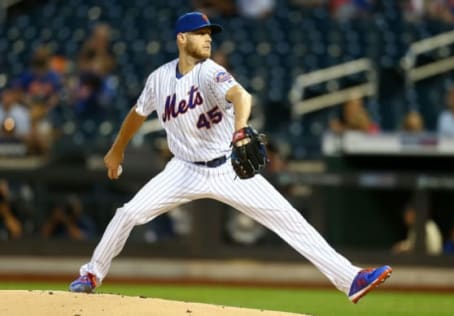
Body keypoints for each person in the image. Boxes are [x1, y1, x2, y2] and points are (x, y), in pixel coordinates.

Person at [69, 12, 392, 303]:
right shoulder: (159, 79)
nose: (208, 37)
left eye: (210, 32)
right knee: (127, 213)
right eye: (200, 32)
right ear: (182, 39)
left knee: (290, 220)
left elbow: (241, 95)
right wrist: (116, 149)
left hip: (227, 168)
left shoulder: (211, 72)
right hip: (182, 170)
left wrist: (240, 129)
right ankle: (91, 273)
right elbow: (137, 114)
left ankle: (350, 279)